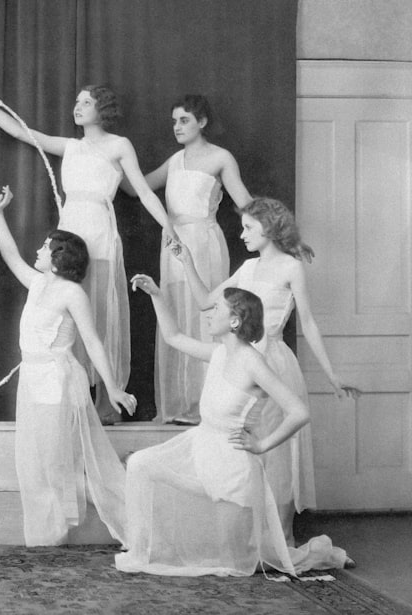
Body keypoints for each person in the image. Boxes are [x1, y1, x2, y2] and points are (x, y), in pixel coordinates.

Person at [0, 80, 174, 424]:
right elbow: (21, 132)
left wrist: (169, 227)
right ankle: (70, 403)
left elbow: (144, 193)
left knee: (99, 320)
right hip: (70, 232)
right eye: (77, 101)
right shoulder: (71, 146)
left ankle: (108, 405)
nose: (78, 107)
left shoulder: (119, 146)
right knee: (62, 319)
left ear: (101, 109)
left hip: (100, 235)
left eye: (86, 102)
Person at [117, 275, 350, 577]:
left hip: (232, 471)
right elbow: (173, 337)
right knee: (140, 464)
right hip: (199, 451)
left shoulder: (253, 362)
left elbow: (298, 411)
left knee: (242, 563)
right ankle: (139, 549)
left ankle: (320, 554)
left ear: (236, 321)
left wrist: (262, 446)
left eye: (217, 310)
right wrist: (156, 295)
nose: (210, 314)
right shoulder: (218, 353)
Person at [173, 197, 360, 543]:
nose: (242, 235)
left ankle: (280, 540)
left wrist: (332, 375)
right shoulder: (246, 268)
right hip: (239, 360)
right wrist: (187, 262)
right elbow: (204, 302)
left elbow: (309, 324)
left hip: (273, 362)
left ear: (269, 230)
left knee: (275, 452)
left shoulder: (291, 268)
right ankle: (247, 536)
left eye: (248, 228)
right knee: (239, 444)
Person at [0, 186, 135, 546]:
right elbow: (10, 256)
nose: (38, 250)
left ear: (59, 258)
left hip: (58, 382)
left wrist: (113, 387)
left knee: (59, 465)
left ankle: (136, 519)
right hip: (34, 380)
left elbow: (93, 342)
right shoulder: (38, 283)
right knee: (39, 463)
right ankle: (49, 533)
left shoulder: (72, 293)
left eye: (44, 246)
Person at [124, 94, 252, 425]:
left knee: (206, 316)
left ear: (202, 122)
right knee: (176, 314)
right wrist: (110, 163)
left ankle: (205, 405)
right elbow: (135, 187)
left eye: (184, 120)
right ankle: (177, 404)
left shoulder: (221, 158)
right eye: (174, 121)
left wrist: (274, 229)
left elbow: (245, 203)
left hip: (206, 244)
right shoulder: (174, 161)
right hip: (174, 243)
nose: (177, 127)